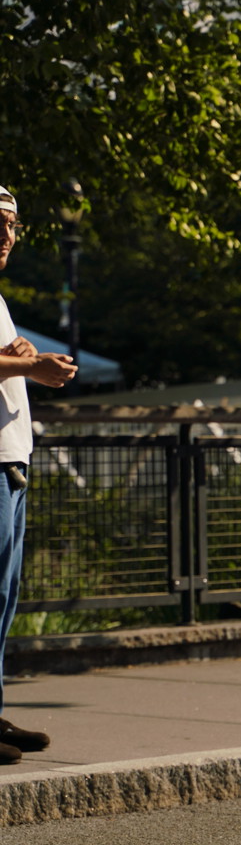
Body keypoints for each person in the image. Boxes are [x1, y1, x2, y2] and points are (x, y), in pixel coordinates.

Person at [0, 186, 78, 764]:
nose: (6, 234)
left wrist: (20, 355)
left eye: (12, 225)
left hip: (11, 460)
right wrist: (31, 366)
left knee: (3, 597)